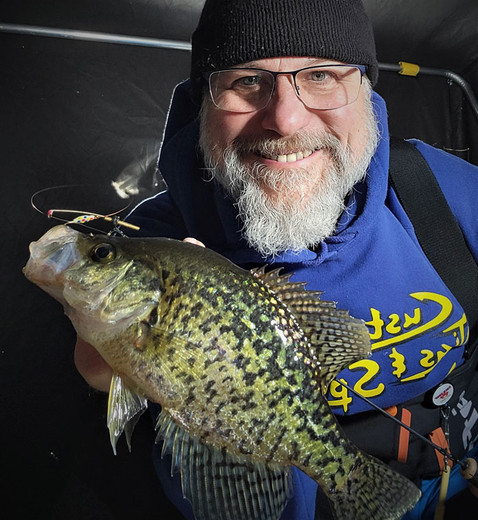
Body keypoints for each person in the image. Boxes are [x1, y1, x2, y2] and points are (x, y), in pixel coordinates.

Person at [75, 0, 478, 518]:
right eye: (246, 80)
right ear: (204, 101)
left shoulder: (439, 189)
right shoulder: (156, 245)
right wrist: (114, 365)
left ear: (366, 89)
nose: (286, 120)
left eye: (321, 75)